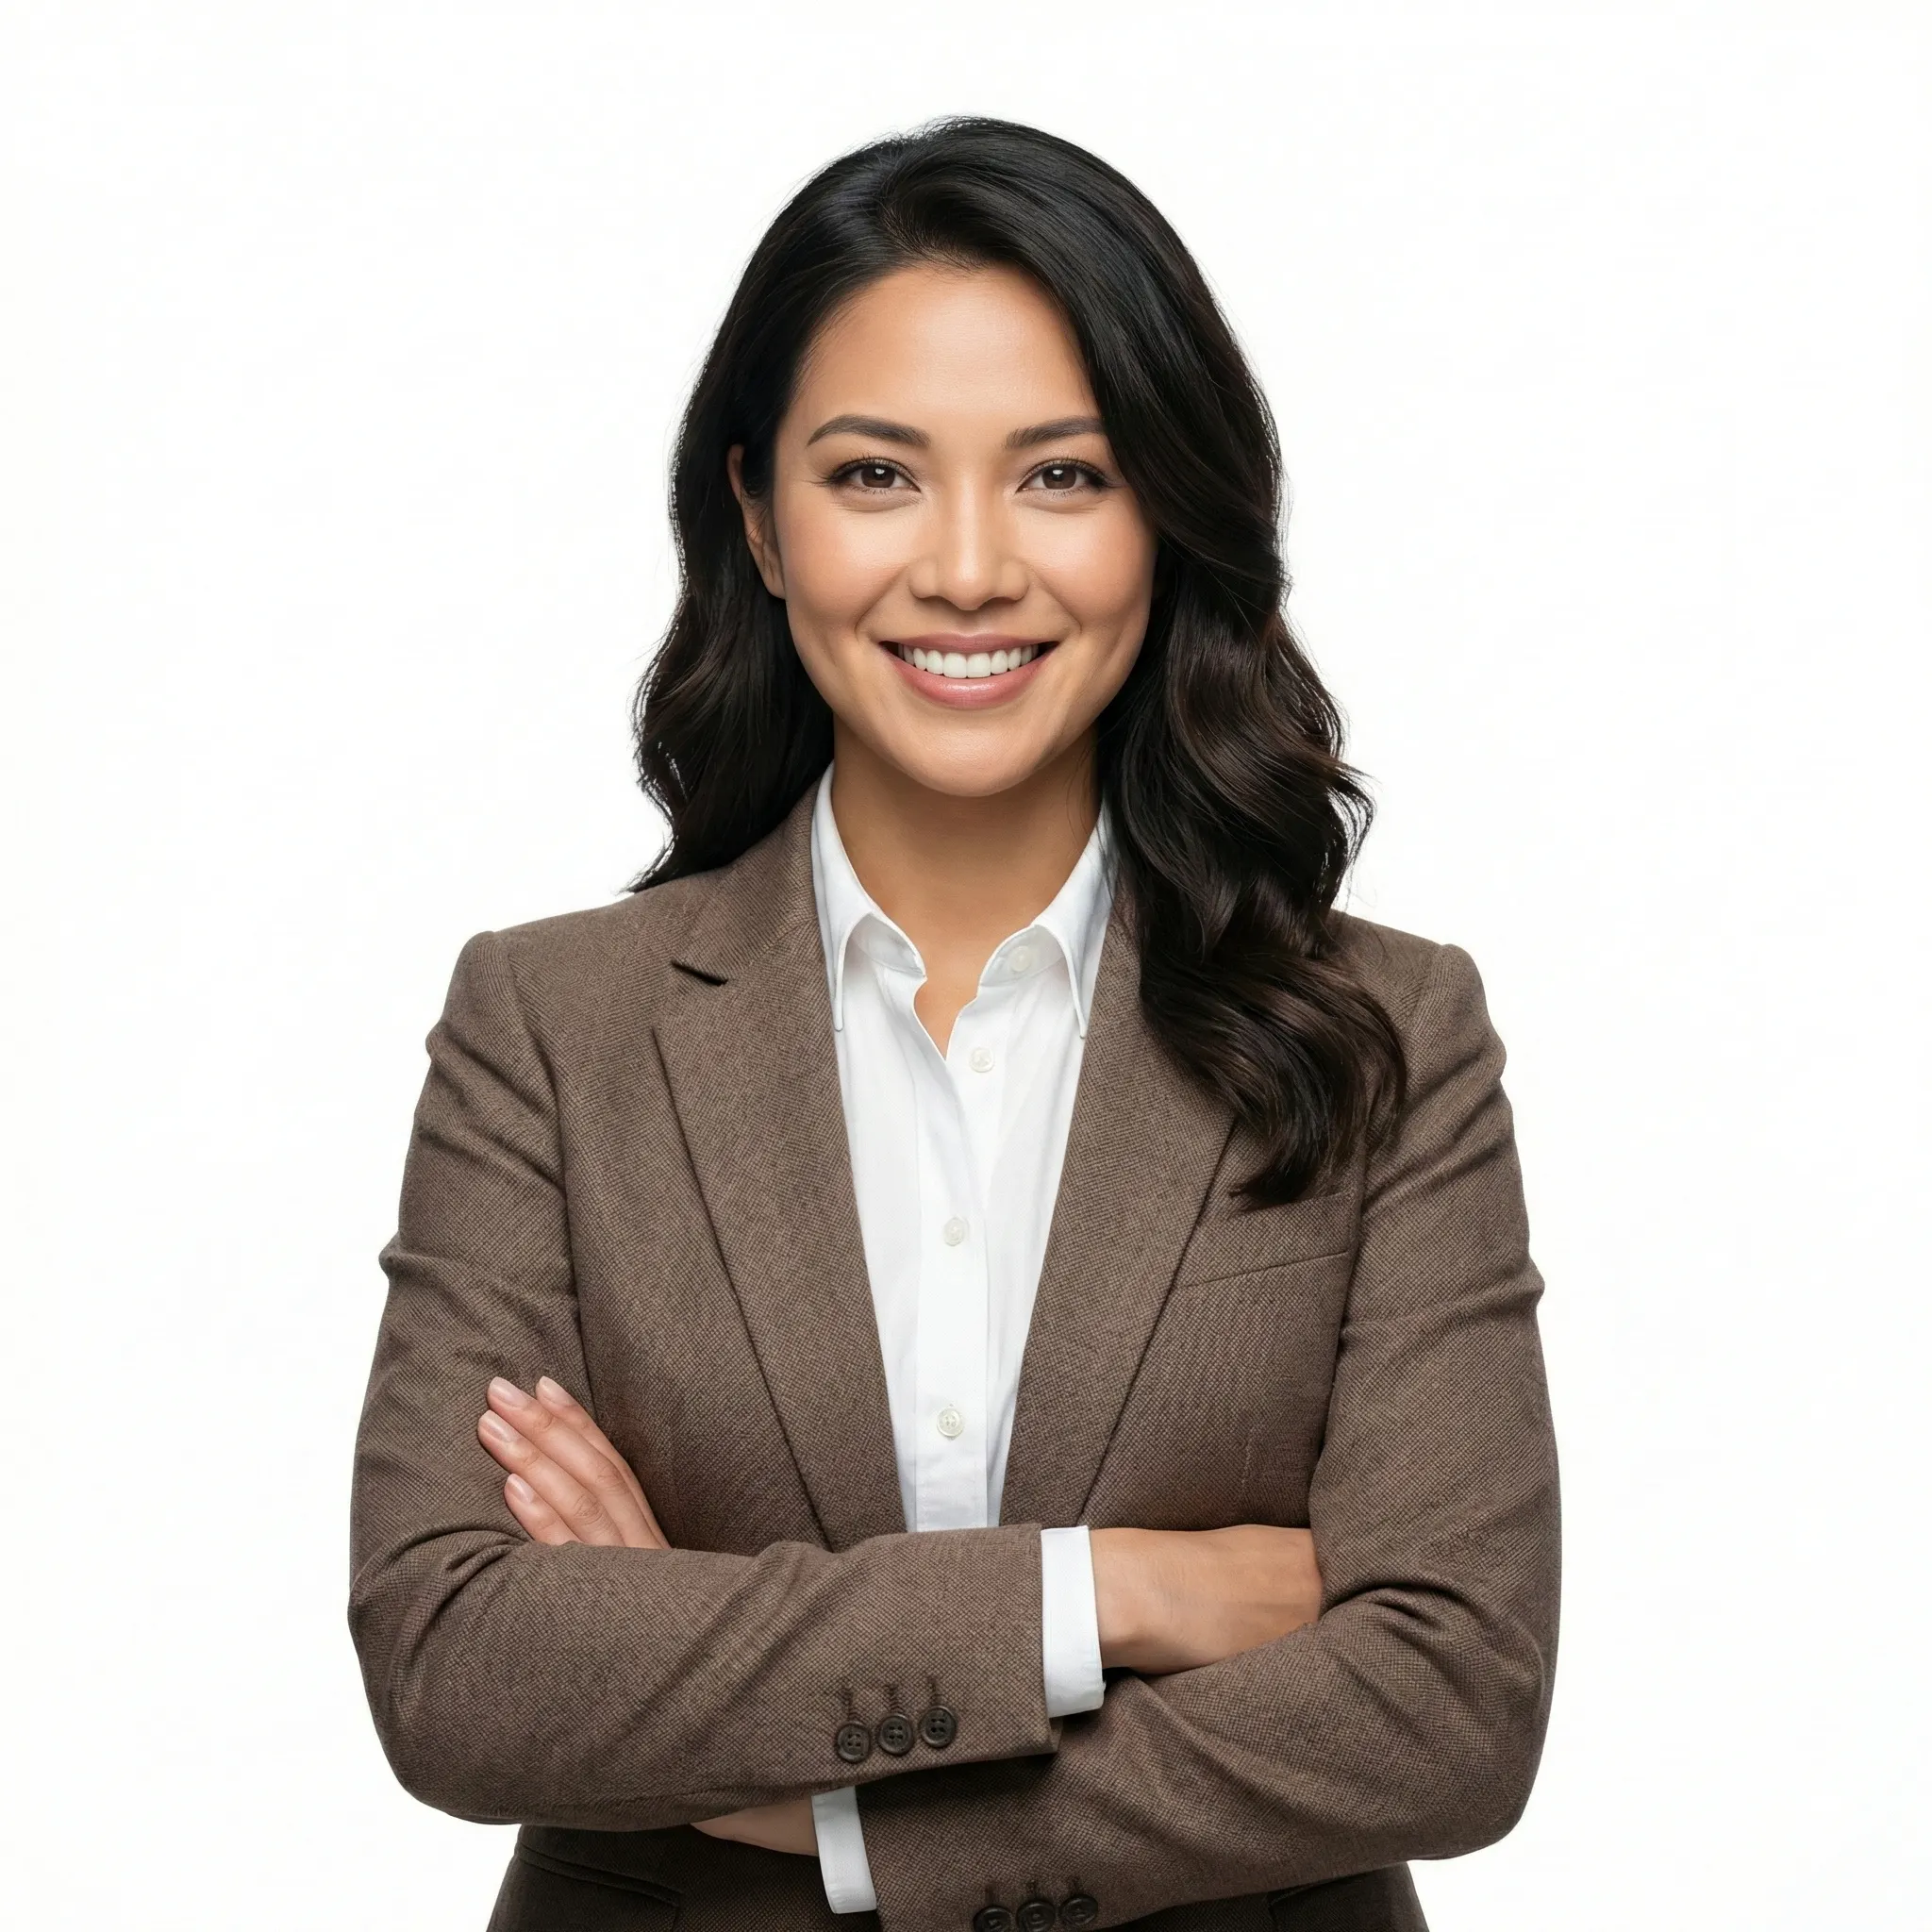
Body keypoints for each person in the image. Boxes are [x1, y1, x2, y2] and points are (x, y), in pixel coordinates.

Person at [348, 117, 1560, 1932]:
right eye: (877, 477)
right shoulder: (553, 1026)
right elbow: (459, 1663)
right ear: (758, 518)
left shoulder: (1388, 1029)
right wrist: (1111, 1597)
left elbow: (1452, 1704)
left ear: (1169, 512)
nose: (975, 569)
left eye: (1063, 475)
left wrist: (803, 1802)